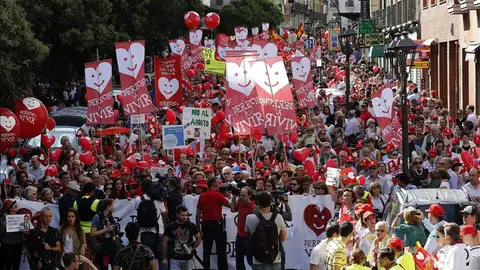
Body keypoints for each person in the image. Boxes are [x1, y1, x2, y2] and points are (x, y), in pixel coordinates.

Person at [246, 191, 287, 270]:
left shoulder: (249, 218)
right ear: (270, 202)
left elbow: (249, 236)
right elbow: (283, 237)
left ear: (257, 202)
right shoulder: (278, 217)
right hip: (274, 258)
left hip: (258, 258)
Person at [196, 177, 230, 270]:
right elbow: (230, 205)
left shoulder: (202, 196)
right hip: (217, 225)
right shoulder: (218, 195)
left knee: (206, 251)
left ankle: (206, 268)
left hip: (206, 225)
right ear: (214, 184)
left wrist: (198, 227)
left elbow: (198, 212)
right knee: (221, 251)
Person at [136, 178, 168, 266]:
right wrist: (164, 200)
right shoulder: (159, 201)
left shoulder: (139, 199)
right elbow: (165, 213)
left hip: (144, 233)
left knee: (145, 258)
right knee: (161, 258)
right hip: (159, 232)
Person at [162, 205, 202, 270]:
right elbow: (164, 242)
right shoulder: (170, 226)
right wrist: (164, 257)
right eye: (182, 215)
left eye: (186, 215)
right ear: (177, 214)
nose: (185, 217)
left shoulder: (191, 225)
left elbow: (198, 238)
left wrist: (192, 248)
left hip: (188, 258)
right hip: (174, 258)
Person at [91, 199, 120, 270]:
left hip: (112, 246)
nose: (113, 207)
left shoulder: (110, 216)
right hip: (104, 248)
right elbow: (92, 233)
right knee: (105, 266)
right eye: (112, 205)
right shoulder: (97, 217)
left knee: (115, 265)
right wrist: (106, 229)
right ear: (108, 206)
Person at [231, 186, 256, 270]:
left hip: (248, 238)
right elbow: (233, 209)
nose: (241, 197)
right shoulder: (240, 203)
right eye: (240, 195)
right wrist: (234, 197)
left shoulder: (253, 207)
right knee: (239, 260)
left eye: (243, 196)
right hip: (239, 236)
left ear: (249, 196)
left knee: (250, 261)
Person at [0, 199, 23, 270]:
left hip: (18, 244)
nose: (17, 208)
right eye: (15, 207)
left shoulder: (21, 217)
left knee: (16, 264)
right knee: (8, 264)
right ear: (10, 208)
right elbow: (1, 233)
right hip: (7, 245)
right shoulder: (3, 218)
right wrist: (4, 226)